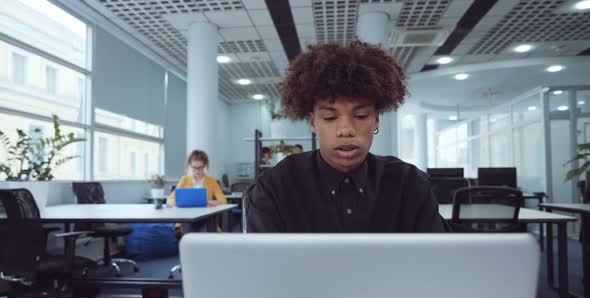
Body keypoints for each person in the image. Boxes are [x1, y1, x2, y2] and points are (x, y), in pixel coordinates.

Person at [246, 41, 448, 233]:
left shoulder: (410, 185)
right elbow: (262, 265)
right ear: (313, 122)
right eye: (330, 117)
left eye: (360, 116)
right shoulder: (275, 187)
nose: (346, 130)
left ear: (376, 120)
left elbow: (439, 259)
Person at [169, 150, 227, 234]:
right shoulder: (184, 180)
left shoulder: (211, 181)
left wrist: (205, 202)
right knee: (189, 226)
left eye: (200, 168)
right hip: (187, 219)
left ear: (205, 166)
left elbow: (223, 200)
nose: (197, 171)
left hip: (205, 219)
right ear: (190, 166)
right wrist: (182, 203)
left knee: (205, 228)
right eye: (194, 168)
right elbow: (171, 199)